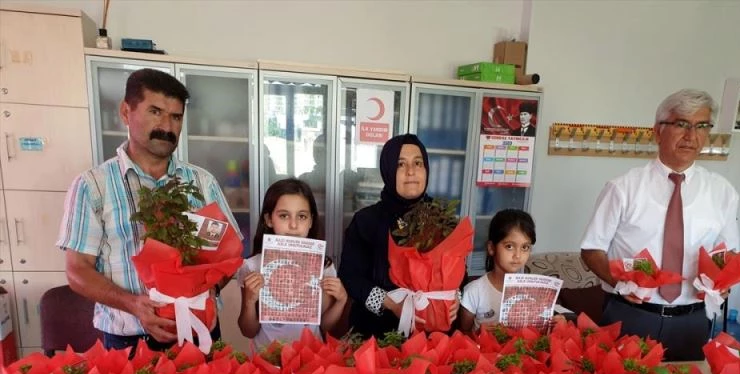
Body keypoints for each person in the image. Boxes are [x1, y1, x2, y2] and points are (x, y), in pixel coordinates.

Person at [56, 68, 242, 353]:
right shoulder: (93, 186)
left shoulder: (201, 183)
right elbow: (77, 270)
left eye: (176, 117)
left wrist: (208, 290)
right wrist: (132, 304)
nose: (166, 126)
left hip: (199, 331)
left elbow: (228, 254)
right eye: (155, 112)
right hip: (130, 340)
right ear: (125, 112)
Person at [580, 89, 739, 361]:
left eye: (701, 126)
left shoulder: (722, 192)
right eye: (681, 124)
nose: (691, 135)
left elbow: (728, 253)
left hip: (692, 320)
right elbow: (591, 249)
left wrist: (724, 282)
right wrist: (620, 284)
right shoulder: (623, 188)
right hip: (632, 314)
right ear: (657, 131)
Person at [339, 133, 460, 338]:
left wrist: (455, 297)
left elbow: (459, 272)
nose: (411, 171)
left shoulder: (442, 218)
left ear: (426, 169)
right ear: (387, 170)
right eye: (400, 164)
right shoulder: (366, 221)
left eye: (418, 163)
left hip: (432, 333)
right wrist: (392, 304)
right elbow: (351, 278)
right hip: (376, 333)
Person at [238, 178, 347, 348]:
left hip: (311, 356)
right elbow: (248, 331)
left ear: (311, 221)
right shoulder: (252, 266)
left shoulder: (323, 267)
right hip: (267, 358)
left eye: (302, 216)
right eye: (284, 216)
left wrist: (341, 301)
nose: (293, 225)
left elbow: (325, 327)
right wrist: (249, 302)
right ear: (269, 219)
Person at [459, 209, 536, 333]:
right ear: (491, 248)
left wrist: (555, 322)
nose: (518, 255)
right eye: (509, 246)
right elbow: (463, 335)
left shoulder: (532, 291)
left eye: (525, 247)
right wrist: (480, 332)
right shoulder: (474, 291)